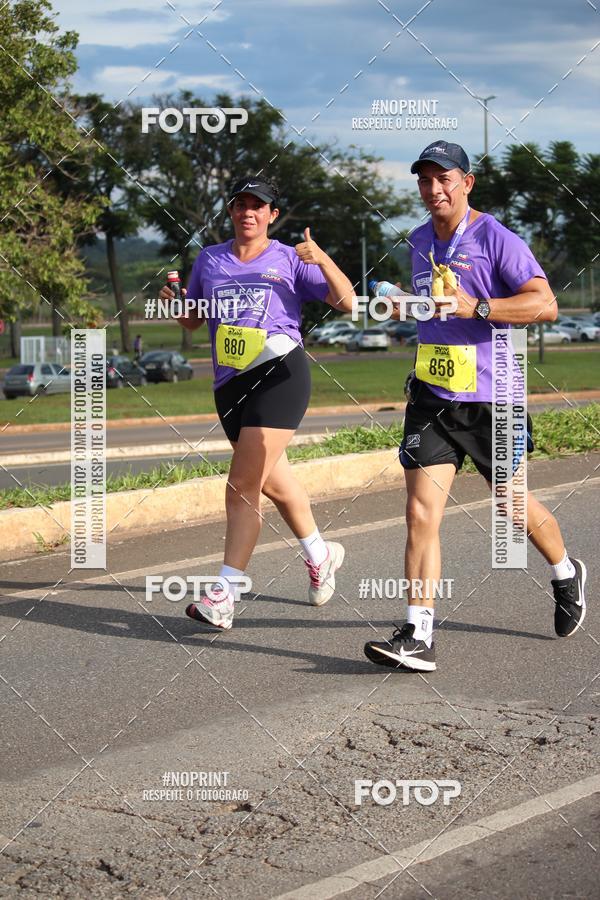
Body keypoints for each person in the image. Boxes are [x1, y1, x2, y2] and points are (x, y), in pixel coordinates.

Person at [364, 140, 587, 672]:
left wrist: (479, 306)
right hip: (433, 396)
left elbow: (546, 305)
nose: (433, 189)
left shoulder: (495, 238)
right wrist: (403, 305)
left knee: (512, 506)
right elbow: (435, 309)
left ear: (467, 183)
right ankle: (418, 633)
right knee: (420, 512)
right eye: (425, 180)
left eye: (444, 178)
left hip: (493, 397)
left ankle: (565, 572)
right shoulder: (420, 240)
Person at [159, 176, 354, 629]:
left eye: (258, 206)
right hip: (229, 383)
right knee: (273, 484)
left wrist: (322, 258)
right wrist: (176, 307)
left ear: (272, 215)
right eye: (240, 205)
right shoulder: (209, 259)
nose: (248, 212)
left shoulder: (290, 258)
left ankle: (224, 595)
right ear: (230, 211)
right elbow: (194, 320)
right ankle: (321, 554)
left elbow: (348, 302)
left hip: (279, 372)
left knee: (241, 485)